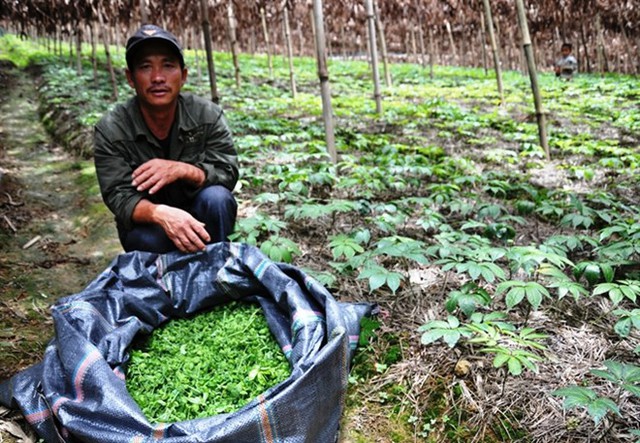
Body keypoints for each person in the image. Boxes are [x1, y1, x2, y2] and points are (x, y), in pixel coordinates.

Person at [94, 24, 238, 254]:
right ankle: (160, 284)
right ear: (131, 78)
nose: (158, 77)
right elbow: (118, 195)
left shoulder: (207, 115)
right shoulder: (111, 129)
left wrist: (183, 170)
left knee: (218, 199)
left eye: (168, 66)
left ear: (183, 75)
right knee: (148, 240)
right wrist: (159, 214)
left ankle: (218, 271)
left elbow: (227, 172)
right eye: (145, 67)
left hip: (199, 214)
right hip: (149, 223)